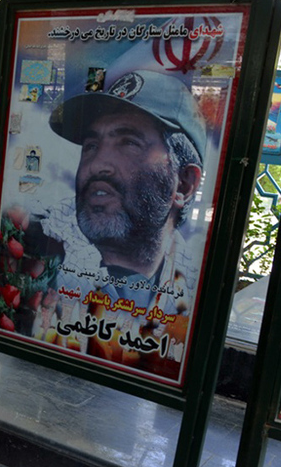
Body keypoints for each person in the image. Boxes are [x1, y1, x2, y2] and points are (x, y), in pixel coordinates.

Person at [48, 70, 206, 313]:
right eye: (91, 146)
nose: (97, 165)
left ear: (183, 184)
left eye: (129, 143)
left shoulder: (197, 293)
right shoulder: (37, 253)